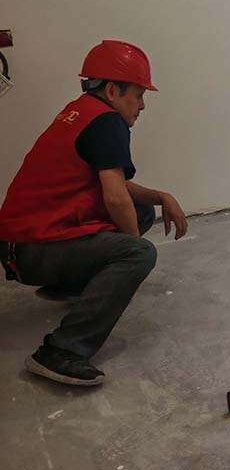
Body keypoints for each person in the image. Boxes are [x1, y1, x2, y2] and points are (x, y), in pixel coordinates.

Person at [0, 40, 188, 386]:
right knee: (138, 253)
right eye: (138, 95)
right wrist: (132, 251)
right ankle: (62, 351)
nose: (142, 105)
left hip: (22, 246)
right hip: (31, 251)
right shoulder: (107, 122)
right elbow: (115, 197)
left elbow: (115, 184)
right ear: (113, 90)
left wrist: (161, 197)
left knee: (143, 211)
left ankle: (72, 285)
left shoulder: (83, 111)